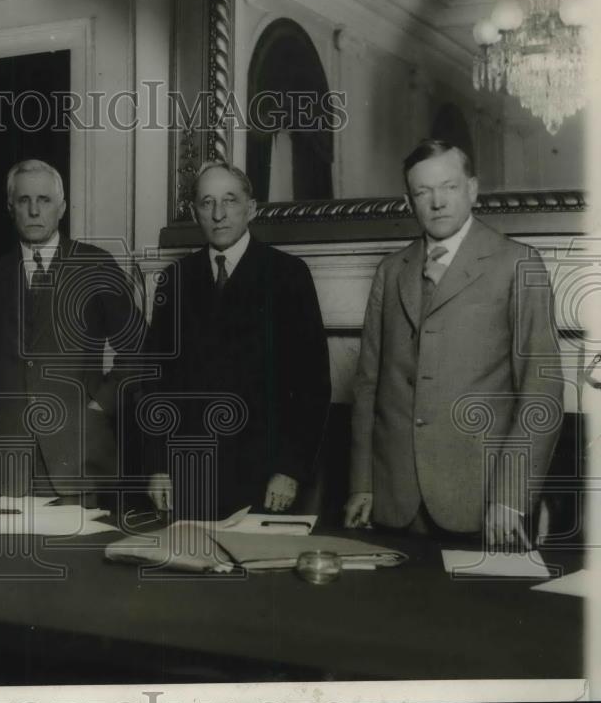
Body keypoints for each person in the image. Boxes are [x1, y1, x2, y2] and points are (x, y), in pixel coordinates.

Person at [345, 139, 563, 546]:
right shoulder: (391, 271)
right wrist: (364, 483)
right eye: (423, 192)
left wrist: (511, 498)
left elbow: (542, 393)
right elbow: (367, 387)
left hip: (482, 502)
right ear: (409, 200)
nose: (437, 202)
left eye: (448, 187)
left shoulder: (517, 263)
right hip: (395, 500)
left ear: (473, 189)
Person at [144, 161, 331, 520]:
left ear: (251, 208)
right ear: (195, 211)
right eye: (206, 202)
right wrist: (158, 467)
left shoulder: (288, 275)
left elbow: (312, 386)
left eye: (229, 201)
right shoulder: (175, 280)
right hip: (189, 475)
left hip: (265, 477)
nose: (218, 214)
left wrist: (289, 470)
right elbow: (156, 386)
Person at [0, 159, 144, 503]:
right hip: (8, 464)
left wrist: (102, 403)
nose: (33, 210)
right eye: (23, 200)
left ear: (61, 208)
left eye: (44, 200)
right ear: (10, 207)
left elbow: (140, 349)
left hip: (81, 457)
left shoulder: (95, 264)